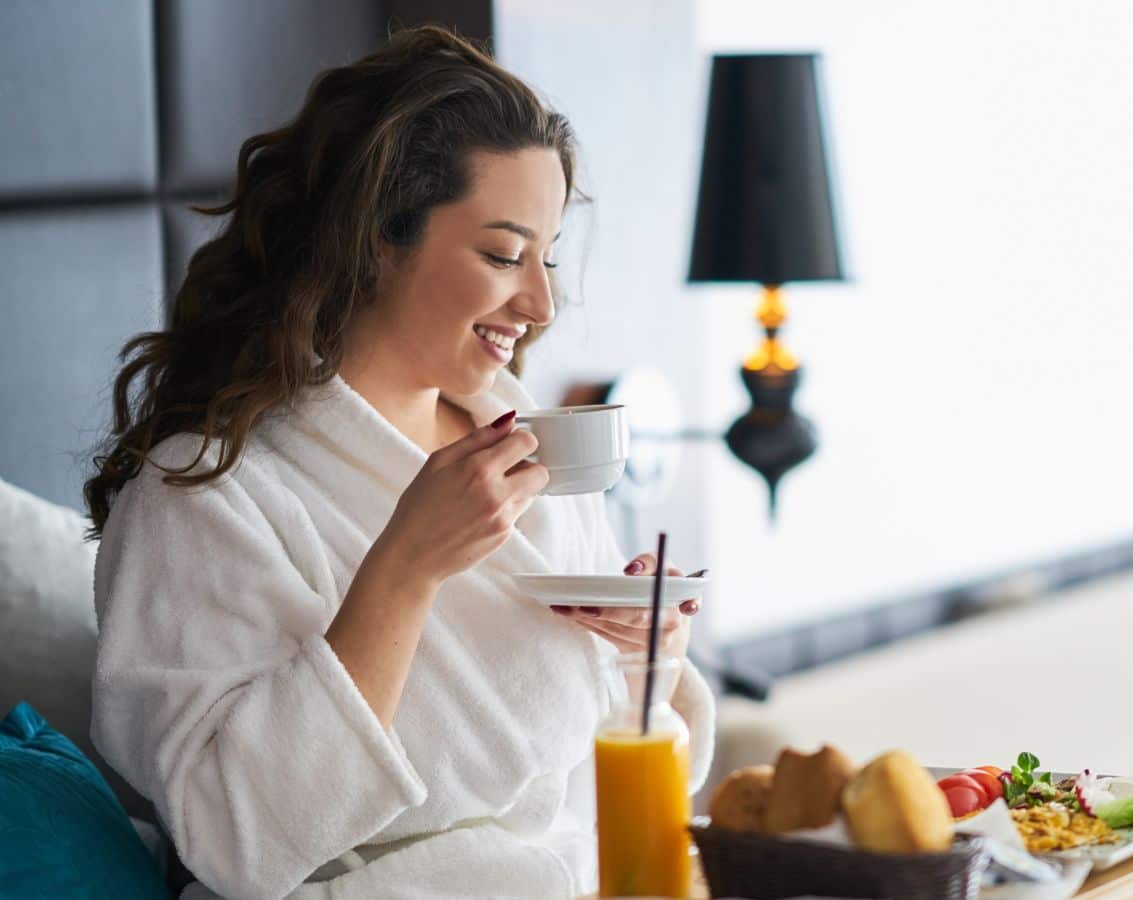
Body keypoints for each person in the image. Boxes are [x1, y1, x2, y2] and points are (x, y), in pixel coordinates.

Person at [82, 26, 711, 900]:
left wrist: (652, 654)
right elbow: (235, 840)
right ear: (379, 237)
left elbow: (605, 759)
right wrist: (404, 570)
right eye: (503, 254)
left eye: (549, 256)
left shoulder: (527, 440)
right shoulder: (207, 496)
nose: (540, 302)